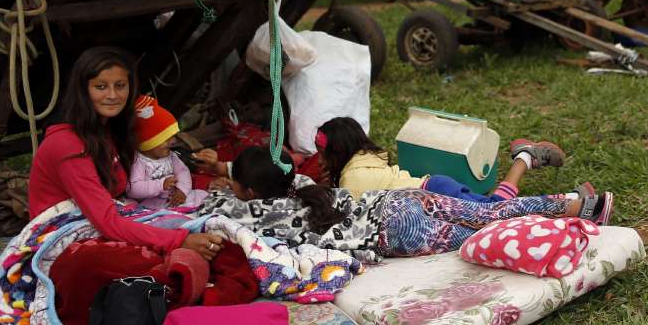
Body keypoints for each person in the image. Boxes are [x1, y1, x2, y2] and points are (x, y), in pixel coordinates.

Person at [196, 147, 613, 262]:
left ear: (249, 192)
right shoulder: (301, 183)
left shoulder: (249, 210)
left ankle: (566, 230)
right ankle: (580, 204)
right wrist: (228, 167)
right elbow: (271, 172)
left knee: (488, 237)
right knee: (490, 213)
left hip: (393, 233)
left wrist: (216, 184)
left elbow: (210, 215)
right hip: (399, 201)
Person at [28, 46, 223, 260]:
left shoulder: (111, 128)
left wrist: (204, 182)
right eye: (101, 87)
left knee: (211, 227)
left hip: (106, 217)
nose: (112, 95)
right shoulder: (67, 145)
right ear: (83, 91)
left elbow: (155, 167)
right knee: (146, 262)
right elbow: (107, 222)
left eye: (120, 86)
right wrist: (178, 240)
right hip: (60, 233)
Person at [194, 116, 591, 203]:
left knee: (498, 212)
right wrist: (224, 170)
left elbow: (291, 178)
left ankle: (528, 162)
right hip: (433, 186)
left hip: (432, 195)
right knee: (493, 210)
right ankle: (528, 161)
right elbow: (287, 173)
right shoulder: (364, 159)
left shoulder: (350, 181)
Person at [126, 95, 208, 210]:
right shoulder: (139, 162)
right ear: (149, 143)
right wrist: (160, 185)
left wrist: (182, 190)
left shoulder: (170, 156)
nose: (173, 141)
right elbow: (133, 189)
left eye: (173, 137)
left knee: (202, 197)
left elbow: (183, 171)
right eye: (166, 138)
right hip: (153, 204)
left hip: (174, 198)